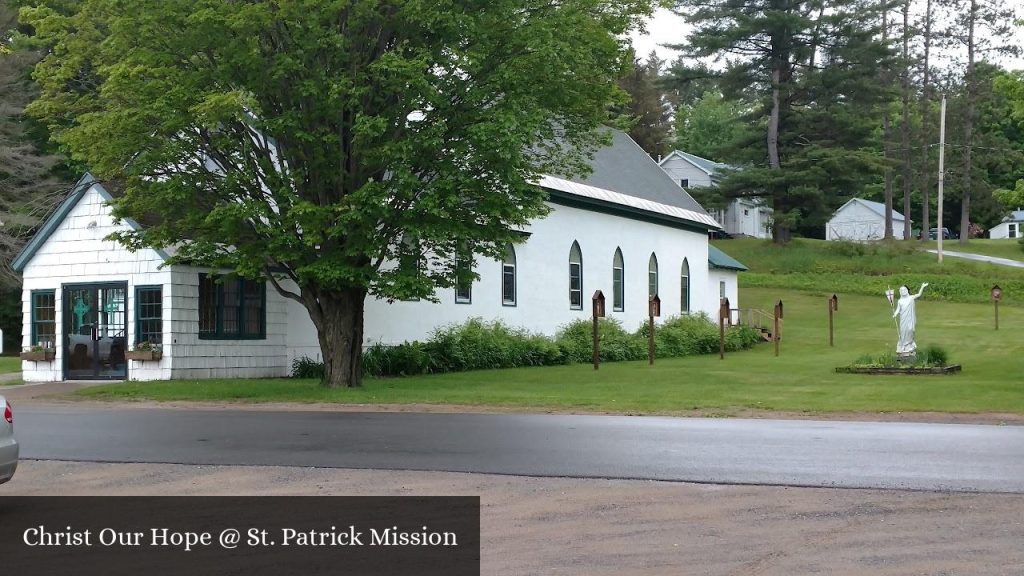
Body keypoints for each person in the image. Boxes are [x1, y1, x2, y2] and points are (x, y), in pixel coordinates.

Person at [893, 283, 928, 356]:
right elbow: (898, 309)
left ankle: (910, 344)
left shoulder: (911, 298)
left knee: (911, 330)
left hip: (910, 318)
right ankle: (904, 346)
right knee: (903, 332)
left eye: (904, 290)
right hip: (903, 319)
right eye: (901, 290)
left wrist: (922, 287)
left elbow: (919, 294)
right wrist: (895, 314)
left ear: (907, 290)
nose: (903, 291)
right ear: (900, 292)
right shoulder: (900, 301)